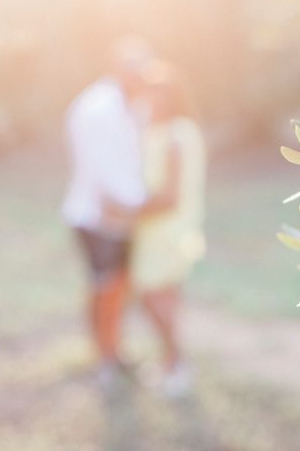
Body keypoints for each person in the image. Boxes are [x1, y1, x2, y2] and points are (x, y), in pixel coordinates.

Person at [62, 36, 153, 387]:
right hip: (99, 216)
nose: (139, 74)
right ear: (116, 67)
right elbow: (98, 166)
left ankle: (115, 350)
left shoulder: (134, 103)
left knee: (120, 288)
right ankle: (104, 359)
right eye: (133, 67)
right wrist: (118, 208)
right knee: (105, 287)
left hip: (127, 214)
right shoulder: (96, 106)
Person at [132, 62, 206, 397]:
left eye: (160, 93)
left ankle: (176, 363)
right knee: (165, 299)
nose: (153, 99)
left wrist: (125, 208)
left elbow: (170, 196)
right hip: (163, 230)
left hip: (163, 230)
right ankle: (170, 363)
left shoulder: (175, 136)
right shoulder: (173, 132)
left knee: (153, 298)